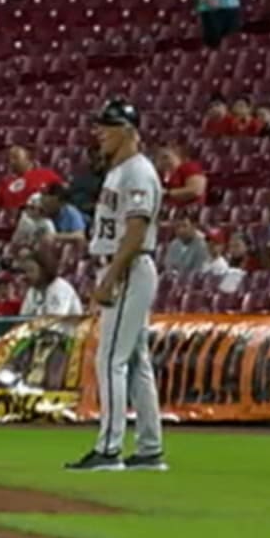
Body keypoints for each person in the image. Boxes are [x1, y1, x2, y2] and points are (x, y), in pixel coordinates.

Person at [66, 99, 168, 473]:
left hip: (127, 268)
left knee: (111, 359)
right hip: (125, 267)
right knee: (137, 359)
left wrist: (110, 278)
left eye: (107, 126)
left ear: (128, 130)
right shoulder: (119, 170)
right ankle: (149, 449)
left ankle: (109, 450)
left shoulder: (138, 171)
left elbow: (136, 230)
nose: (100, 132)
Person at [17, 246, 83, 319]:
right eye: (26, 271)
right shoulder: (32, 291)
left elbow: (55, 321)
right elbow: (23, 318)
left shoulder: (60, 288)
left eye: (31, 270)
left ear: (44, 271)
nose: (27, 275)